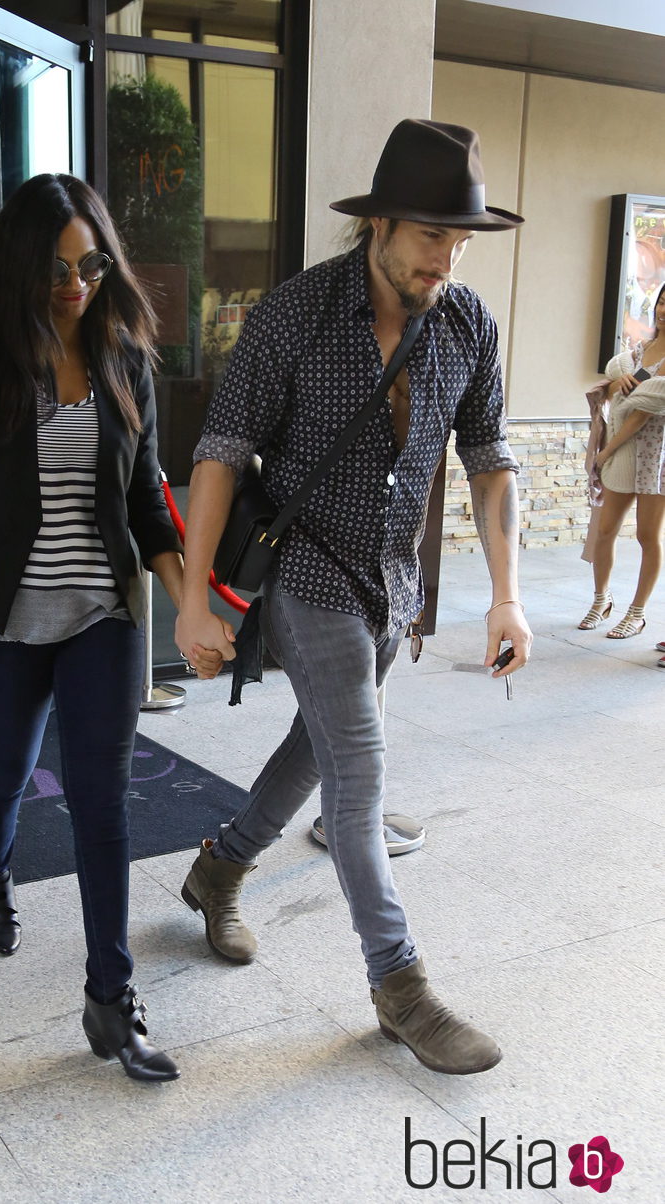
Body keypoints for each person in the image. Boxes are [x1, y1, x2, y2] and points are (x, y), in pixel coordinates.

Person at [174, 119, 532, 1076]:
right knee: (360, 771)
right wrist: (191, 603)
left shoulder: (466, 324)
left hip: (392, 584)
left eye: (461, 241)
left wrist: (505, 595)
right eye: (429, 237)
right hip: (308, 573)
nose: (446, 260)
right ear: (377, 223)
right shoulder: (294, 313)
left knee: (318, 746)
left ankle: (218, 870)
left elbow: (490, 464)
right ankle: (400, 984)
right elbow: (220, 454)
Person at [0, 173, 226, 1083]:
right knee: (7, 774)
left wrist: (190, 601)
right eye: (56, 269)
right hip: (0, 619)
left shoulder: (125, 356)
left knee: (102, 804)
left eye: (91, 264)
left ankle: (109, 1000)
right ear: (18, 264)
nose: (77, 284)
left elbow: (148, 500)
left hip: (100, 616)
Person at [579, 283, 665, 642]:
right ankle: (602, 599)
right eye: (662, 299)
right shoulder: (639, 350)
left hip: (655, 457)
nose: (664, 308)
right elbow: (615, 391)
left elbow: (643, 410)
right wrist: (617, 385)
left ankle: (637, 613)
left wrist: (606, 450)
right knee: (605, 529)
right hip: (625, 455)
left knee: (648, 535)